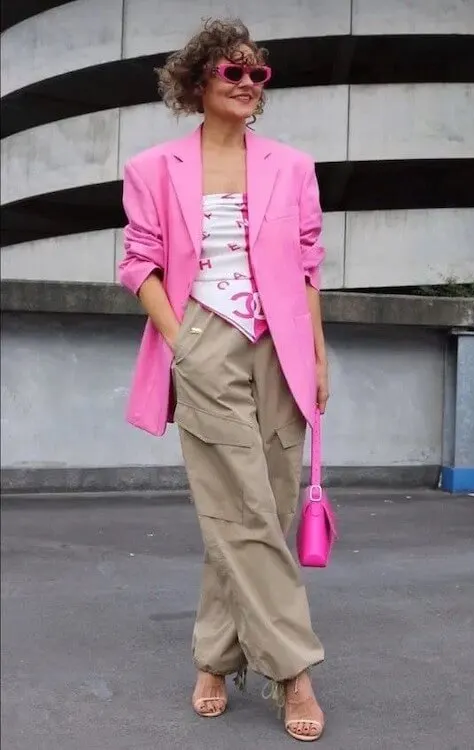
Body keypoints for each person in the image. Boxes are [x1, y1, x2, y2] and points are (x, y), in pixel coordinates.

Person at [119, 18, 329, 743]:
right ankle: (293, 668)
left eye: (257, 75)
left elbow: (307, 267)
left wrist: (319, 357)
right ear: (197, 81)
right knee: (240, 504)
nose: (248, 85)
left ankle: (214, 656)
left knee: (256, 506)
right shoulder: (154, 168)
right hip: (205, 336)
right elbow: (138, 261)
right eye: (233, 73)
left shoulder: (293, 167)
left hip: (283, 345)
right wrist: (181, 345)